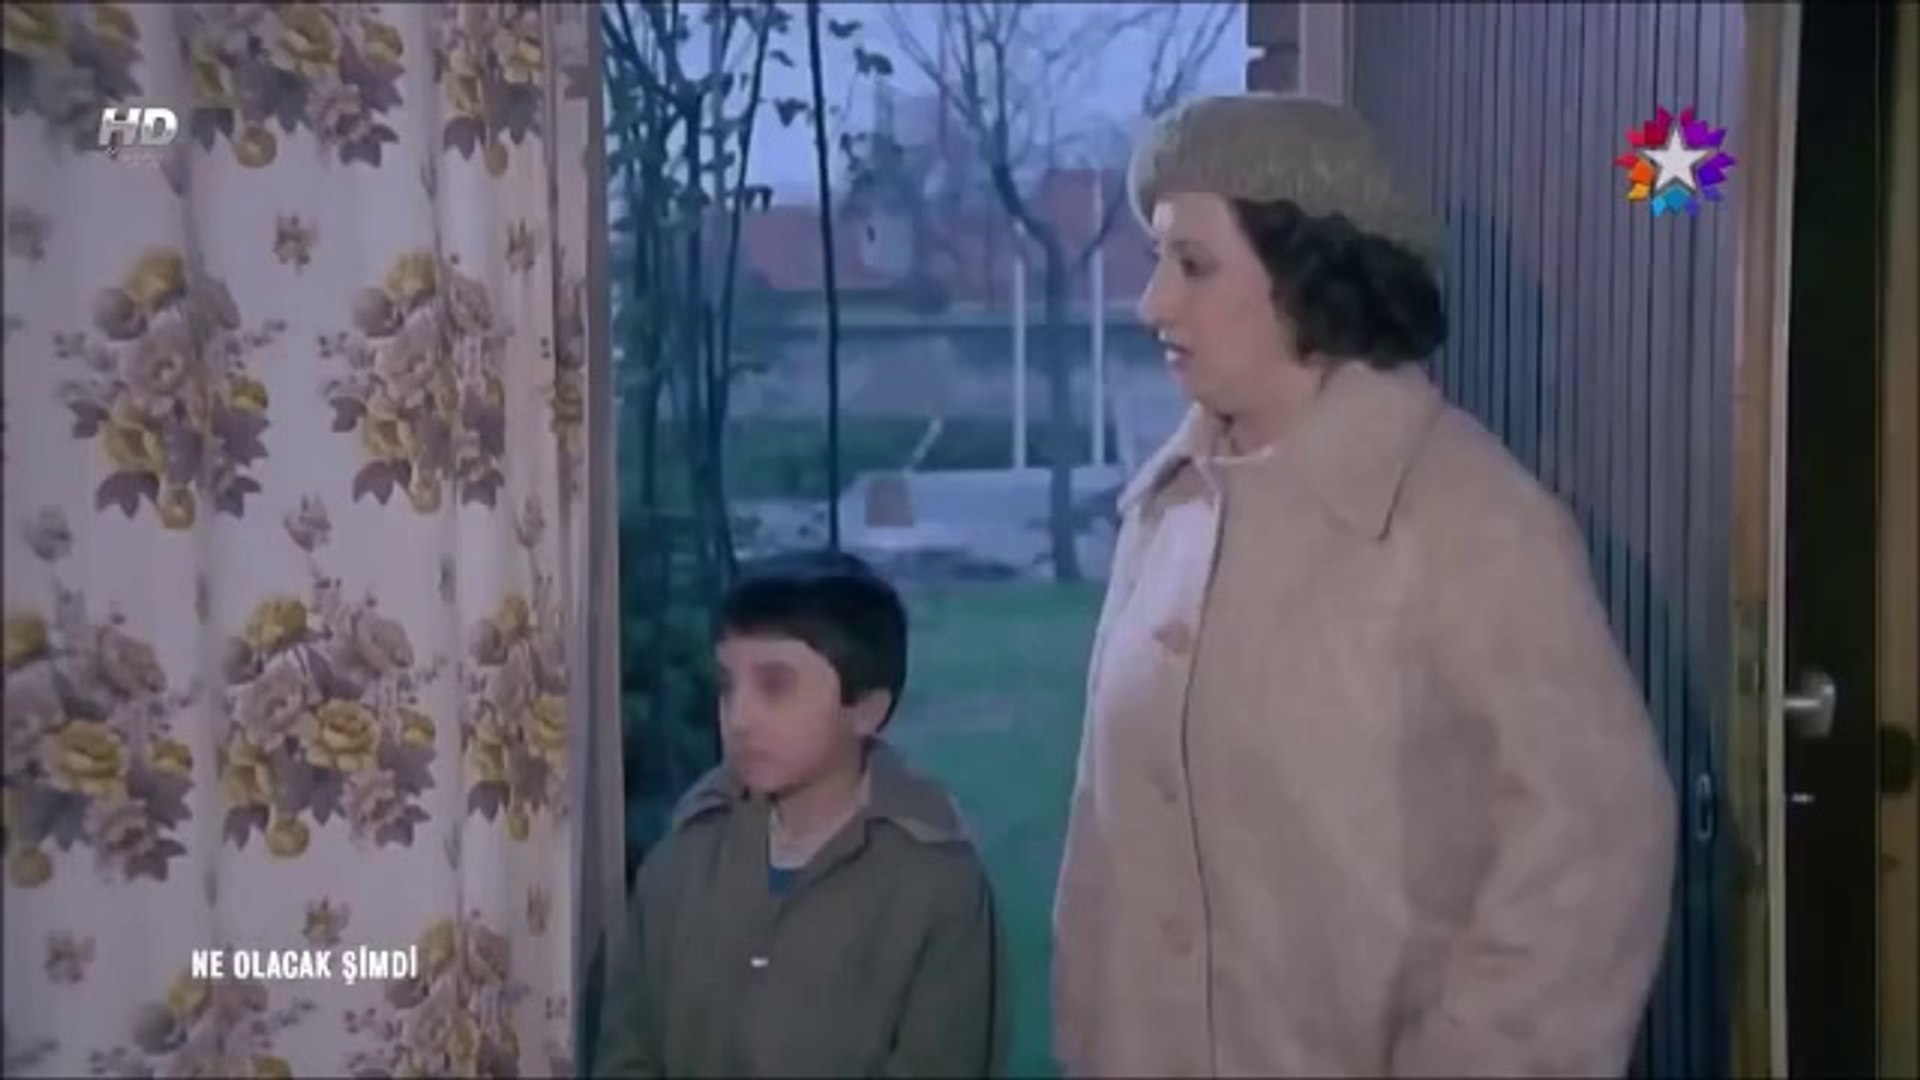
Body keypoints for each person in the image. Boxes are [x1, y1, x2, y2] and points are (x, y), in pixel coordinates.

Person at [1051, 93, 1678, 1077]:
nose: (1152, 304)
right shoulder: (1165, 512)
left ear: (1310, 273)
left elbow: (1597, 847)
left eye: (1193, 263)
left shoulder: (1474, 519)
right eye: (1156, 259)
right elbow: (1104, 842)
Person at [594, 550, 1002, 1078]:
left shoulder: (938, 885)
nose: (739, 717)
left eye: (775, 685)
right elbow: (626, 1051)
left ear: (866, 709)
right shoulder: (683, 859)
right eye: (727, 686)